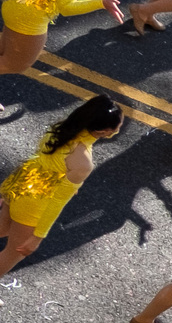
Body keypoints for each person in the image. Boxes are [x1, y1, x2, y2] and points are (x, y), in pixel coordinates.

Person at [0, 93, 123, 279]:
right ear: (106, 131)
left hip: (22, 182)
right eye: (120, 124)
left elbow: (43, 158)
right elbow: (57, 201)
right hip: (35, 203)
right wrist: (38, 236)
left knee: (2, 228)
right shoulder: (83, 162)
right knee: (12, 254)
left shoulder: (62, 127)